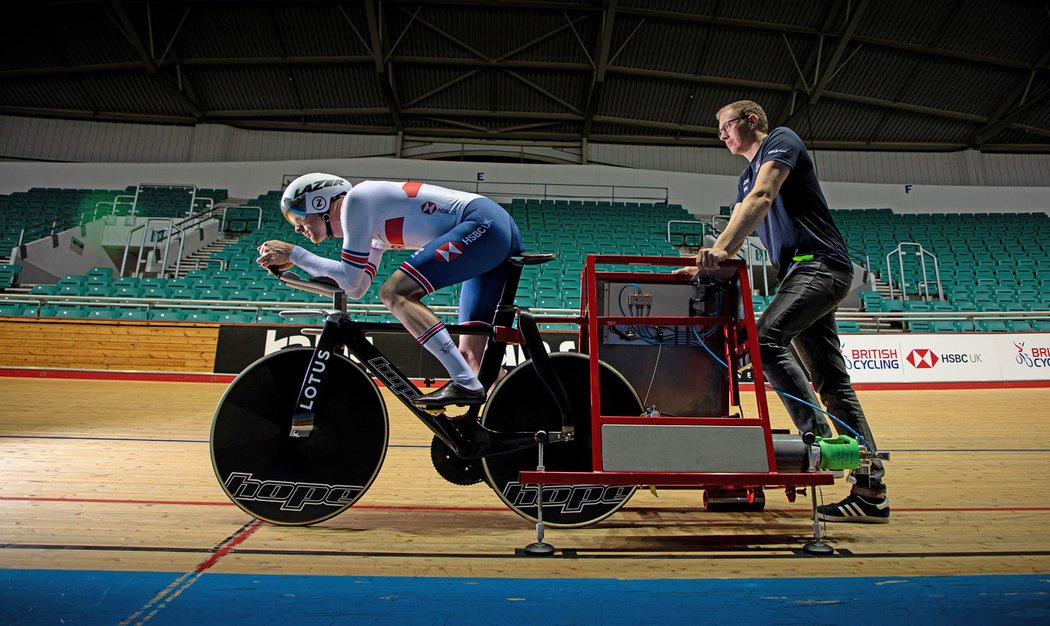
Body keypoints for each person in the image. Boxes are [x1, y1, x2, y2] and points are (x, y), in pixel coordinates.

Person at [685, 100, 889, 523]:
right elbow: (746, 208)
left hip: (818, 266)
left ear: (751, 121)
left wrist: (719, 250)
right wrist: (715, 256)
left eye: (725, 126)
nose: (721, 135)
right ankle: (871, 489)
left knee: (763, 340)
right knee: (831, 379)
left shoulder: (781, 141)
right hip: (803, 272)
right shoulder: (745, 176)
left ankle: (817, 442)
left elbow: (763, 196)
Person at [256, 173, 522, 409]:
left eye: (297, 215)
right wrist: (296, 267)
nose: (296, 227)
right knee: (472, 357)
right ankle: (519, 413)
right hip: (491, 227)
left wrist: (294, 253)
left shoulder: (356, 201)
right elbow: (357, 287)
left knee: (394, 292)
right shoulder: (370, 226)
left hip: (483, 223)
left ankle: (463, 383)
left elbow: (348, 280)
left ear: (319, 202)